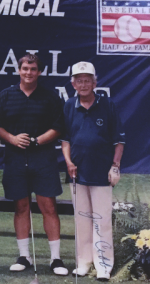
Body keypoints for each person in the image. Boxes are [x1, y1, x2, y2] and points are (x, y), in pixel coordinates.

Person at [0, 54, 68, 276]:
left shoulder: (51, 97)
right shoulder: (6, 96)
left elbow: (59, 126)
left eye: (33, 69)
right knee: (21, 207)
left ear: (39, 71)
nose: (29, 72)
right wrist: (12, 138)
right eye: (25, 68)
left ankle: (56, 259)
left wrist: (37, 140)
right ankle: (24, 256)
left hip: (43, 158)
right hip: (15, 159)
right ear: (19, 70)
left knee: (49, 207)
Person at [61, 61, 125, 281]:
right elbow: (66, 140)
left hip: (102, 173)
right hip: (77, 173)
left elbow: (119, 141)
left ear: (95, 82)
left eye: (87, 79)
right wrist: (68, 162)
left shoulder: (107, 105)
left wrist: (115, 166)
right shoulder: (69, 105)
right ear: (73, 83)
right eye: (79, 80)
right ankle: (83, 263)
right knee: (82, 220)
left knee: (102, 220)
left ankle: (104, 265)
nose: (83, 84)